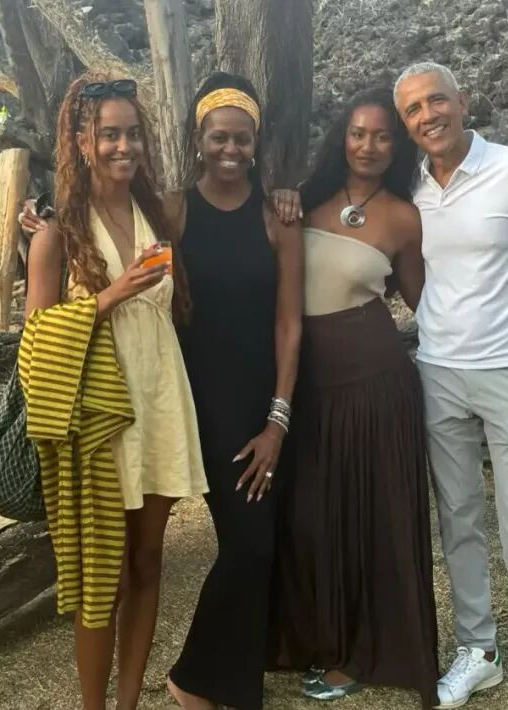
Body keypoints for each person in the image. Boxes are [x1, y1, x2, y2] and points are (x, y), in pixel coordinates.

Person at [19, 71, 208, 710]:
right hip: (101, 420)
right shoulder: (56, 235)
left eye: (133, 134)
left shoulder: (160, 214)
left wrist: (290, 194)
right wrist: (110, 295)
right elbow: (36, 341)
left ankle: (128, 703)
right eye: (109, 135)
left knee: (148, 561)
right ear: (81, 142)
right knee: (104, 576)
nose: (124, 146)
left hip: (159, 403)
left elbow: (224, 185)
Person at [393, 62, 508, 710]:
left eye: (436, 100)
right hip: (439, 372)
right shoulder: (410, 184)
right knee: (458, 519)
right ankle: (480, 652)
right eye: (413, 109)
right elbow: (412, 268)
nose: (428, 116)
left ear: (462, 101)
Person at [271, 87, 438, 708]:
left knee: (369, 518)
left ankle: (357, 654)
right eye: (358, 133)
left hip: (375, 385)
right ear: (342, 136)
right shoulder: (301, 199)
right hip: (306, 386)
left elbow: (427, 304)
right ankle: (313, 638)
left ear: (397, 146)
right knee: (309, 519)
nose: (368, 146)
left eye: (383, 136)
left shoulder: (404, 217)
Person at [164, 72, 303, 710]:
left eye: (242, 139)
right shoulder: (173, 210)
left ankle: (237, 688)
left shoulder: (278, 217)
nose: (230, 149)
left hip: (264, 403)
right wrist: (44, 216)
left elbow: (289, 323)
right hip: (201, 404)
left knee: (260, 545)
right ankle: (192, 680)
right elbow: (104, 216)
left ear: (255, 143)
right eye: (219, 136)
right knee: (250, 544)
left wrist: (278, 419)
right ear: (199, 139)